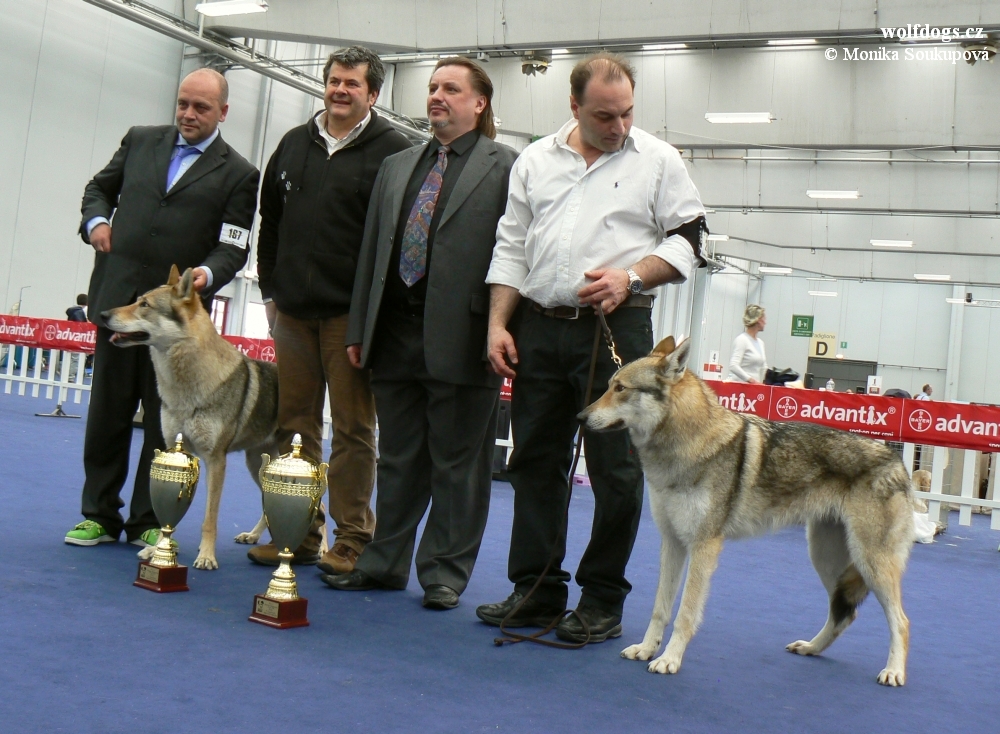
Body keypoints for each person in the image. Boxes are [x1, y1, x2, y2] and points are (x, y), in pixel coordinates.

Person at [478, 53, 707, 642]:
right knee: (534, 461)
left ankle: (602, 600)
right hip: (539, 326)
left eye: (628, 113)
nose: (619, 127)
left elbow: (690, 240)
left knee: (618, 472)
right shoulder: (534, 159)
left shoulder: (659, 160)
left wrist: (632, 276)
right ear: (574, 107)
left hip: (619, 332)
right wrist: (498, 324)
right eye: (605, 116)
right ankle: (536, 590)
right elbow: (510, 247)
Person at [324, 58, 518, 611]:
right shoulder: (397, 165)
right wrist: (361, 325)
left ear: (479, 104)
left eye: (451, 89)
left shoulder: (508, 167)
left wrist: (499, 331)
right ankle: (384, 564)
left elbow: (516, 256)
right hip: (394, 335)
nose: (437, 96)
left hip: (466, 339)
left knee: (459, 466)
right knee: (400, 459)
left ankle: (444, 573)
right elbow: (372, 255)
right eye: (433, 88)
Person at [65, 68, 259, 548]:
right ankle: (99, 515)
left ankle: (151, 519)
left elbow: (233, 246)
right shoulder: (140, 139)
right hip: (120, 306)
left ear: (224, 113)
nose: (188, 114)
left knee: (165, 424)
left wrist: (206, 275)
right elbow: (98, 188)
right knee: (107, 415)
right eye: (183, 104)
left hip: (176, 326)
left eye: (202, 108)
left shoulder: (239, 173)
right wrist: (95, 222)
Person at [253, 46, 411, 573]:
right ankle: (295, 531)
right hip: (292, 314)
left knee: (353, 430)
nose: (340, 91)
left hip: (350, 317)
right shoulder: (293, 145)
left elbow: (396, 240)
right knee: (292, 427)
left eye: (352, 84)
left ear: (374, 94)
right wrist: (270, 293)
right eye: (334, 81)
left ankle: (351, 537)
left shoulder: (394, 152)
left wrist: (374, 317)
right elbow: (269, 221)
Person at [728, 304, 767, 384]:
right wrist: (750, 380)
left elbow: (764, 367)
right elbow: (733, 365)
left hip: (755, 388)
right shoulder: (742, 340)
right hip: (741, 387)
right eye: (764, 319)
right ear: (759, 320)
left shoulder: (760, 343)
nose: (765, 322)